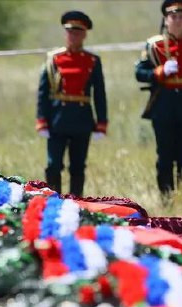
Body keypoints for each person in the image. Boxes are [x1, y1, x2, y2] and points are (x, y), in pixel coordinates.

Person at [135, 0, 182, 195]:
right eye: (173, 17)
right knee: (165, 155)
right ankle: (166, 196)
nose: (177, 21)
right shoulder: (154, 45)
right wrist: (159, 72)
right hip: (163, 105)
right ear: (166, 19)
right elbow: (139, 73)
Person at [36, 11, 107, 197]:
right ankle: (54, 200)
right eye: (69, 32)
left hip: (82, 119)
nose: (73, 36)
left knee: (78, 166)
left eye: (77, 32)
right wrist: (42, 120)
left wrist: (101, 122)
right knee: (53, 165)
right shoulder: (54, 58)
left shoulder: (92, 60)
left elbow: (99, 93)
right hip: (57, 119)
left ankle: (76, 202)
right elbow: (43, 92)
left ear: (84, 35)